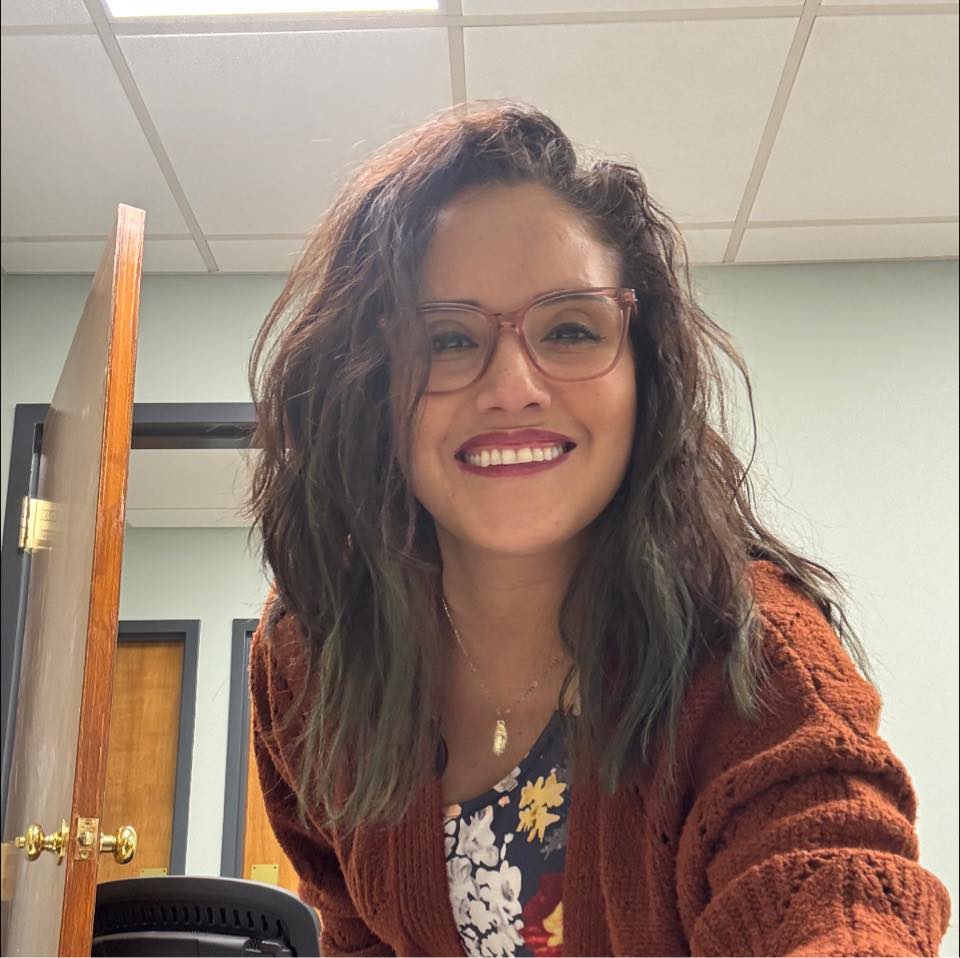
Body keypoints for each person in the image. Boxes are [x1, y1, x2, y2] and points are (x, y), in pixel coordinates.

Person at [244, 101, 950, 956]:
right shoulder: (314, 652)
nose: (513, 386)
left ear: (644, 375)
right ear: (371, 384)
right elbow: (358, 926)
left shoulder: (752, 650)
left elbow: (835, 883)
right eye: (447, 339)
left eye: (571, 330)